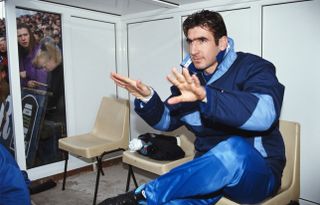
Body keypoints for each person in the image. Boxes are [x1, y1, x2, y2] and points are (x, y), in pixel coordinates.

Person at [102, 10, 285, 205]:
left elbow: (266, 114)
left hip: (256, 174)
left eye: (202, 40)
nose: (194, 50)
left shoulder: (254, 67)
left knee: (233, 150)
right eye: (190, 41)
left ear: (222, 43)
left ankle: (143, 194)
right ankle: (143, 200)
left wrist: (207, 96)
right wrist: (147, 98)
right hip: (207, 173)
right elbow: (166, 121)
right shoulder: (189, 78)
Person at [17, 23, 48, 90]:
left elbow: (42, 73)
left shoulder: (40, 49)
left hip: (44, 93)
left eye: (25, 35)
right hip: (28, 94)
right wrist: (26, 83)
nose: (23, 38)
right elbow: (12, 77)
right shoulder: (16, 54)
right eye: (19, 36)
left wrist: (27, 72)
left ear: (30, 35)